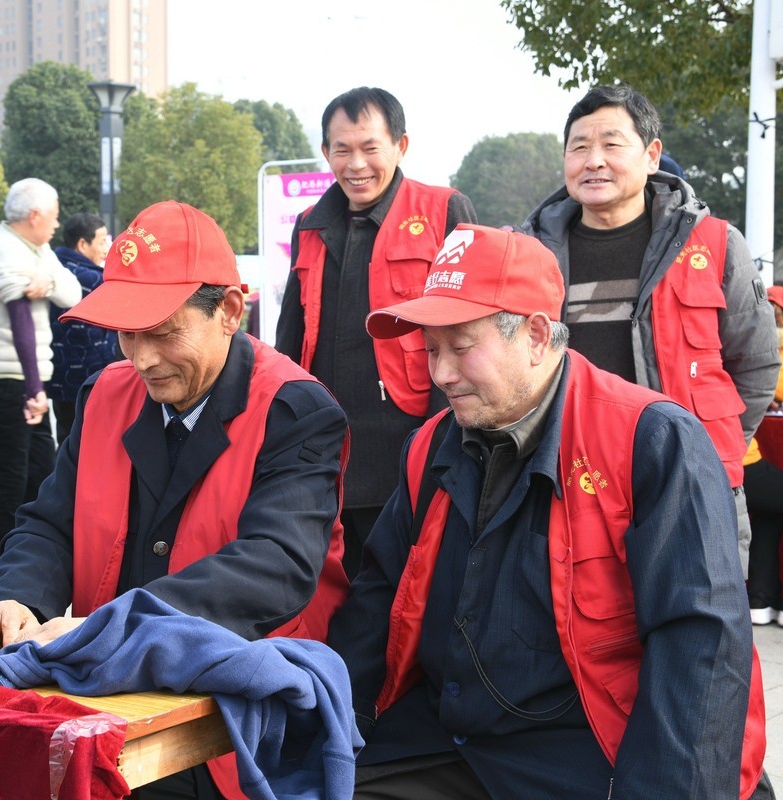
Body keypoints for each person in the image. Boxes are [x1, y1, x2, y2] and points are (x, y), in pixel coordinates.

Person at [329, 223, 766, 799]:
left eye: (461, 347)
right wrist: (339, 726)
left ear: (536, 335)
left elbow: (701, 645)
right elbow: (378, 600)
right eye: (431, 348)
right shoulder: (429, 447)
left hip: (590, 751)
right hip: (443, 739)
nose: (441, 374)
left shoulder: (651, 441)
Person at [0, 200, 351, 800]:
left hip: (236, 714)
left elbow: (276, 564)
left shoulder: (294, 409)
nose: (142, 358)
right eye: (126, 333)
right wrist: (16, 598)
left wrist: (109, 628)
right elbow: (50, 522)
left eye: (164, 332)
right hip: (110, 695)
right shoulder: (105, 394)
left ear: (229, 312)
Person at [523, 85, 779, 574]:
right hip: (566, 484)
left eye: (611, 144)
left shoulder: (715, 243)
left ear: (651, 155)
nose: (593, 161)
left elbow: (757, 363)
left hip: (691, 484)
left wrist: (705, 442)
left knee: (697, 614)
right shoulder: (528, 252)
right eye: (579, 147)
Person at [275, 86, 477, 578]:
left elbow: (470, 329)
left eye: (370, 147)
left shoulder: (444, 210)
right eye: (342, 150)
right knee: (332, 584)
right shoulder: (309, 225)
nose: (356, 164)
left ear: (400, 146)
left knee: (412, 581)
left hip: (412, 441)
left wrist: (448, 438)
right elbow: (290, 338)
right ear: (325, 152)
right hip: (326, 448)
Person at [0, 178, 82, 574]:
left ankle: (26, 569)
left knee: (41, 480)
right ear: (34, 215)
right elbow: (21, 324)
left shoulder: (37, 249)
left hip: (27, 383)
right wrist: (34, 390)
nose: (57, 223)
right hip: (5, 382)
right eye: (53, 216)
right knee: (6, 487)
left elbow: (73, 293)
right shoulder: (4, 250)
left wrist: (48, 283)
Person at [48, 211, 120, 444]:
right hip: (88, 380)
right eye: (102, 242)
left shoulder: (54, 268)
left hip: (62, 380)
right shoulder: (89, 279)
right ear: (82, 244)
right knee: (90, 443)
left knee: (67, 439)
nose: (106, 248)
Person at [745, 285, 783, 624]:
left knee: (771, 512)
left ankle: (761, 599)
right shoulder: (755, 346)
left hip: (739, 457)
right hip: (740, 459)